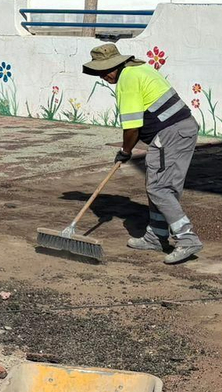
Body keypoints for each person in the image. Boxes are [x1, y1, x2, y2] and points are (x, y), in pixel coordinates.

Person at [83, 42, 202, 264]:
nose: (102, 76)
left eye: (104, 70)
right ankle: (156, 236)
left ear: (115, 65)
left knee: (159, 188)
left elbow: (132, 127)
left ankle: (187, 239)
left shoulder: (127, 79)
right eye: (99, 72)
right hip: (182, 130)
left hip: (170, 134)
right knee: (161, 187)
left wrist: (125, 151)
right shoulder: (139, 68)